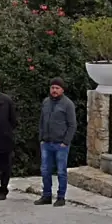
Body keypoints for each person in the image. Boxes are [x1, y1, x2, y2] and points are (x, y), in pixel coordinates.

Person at [35, 77, 76, 207]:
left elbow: (72, 125)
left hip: (60, 144)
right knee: (45, 170)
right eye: (52, 88)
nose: (54, 90)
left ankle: (61, 197)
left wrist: (65, 142)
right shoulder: (46, 102)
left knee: (61, 171)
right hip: (46, 143)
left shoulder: (68, 104)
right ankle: (46, 195)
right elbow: (42, 121)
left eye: (57, 88)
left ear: (62, 90)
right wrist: (41, 138)